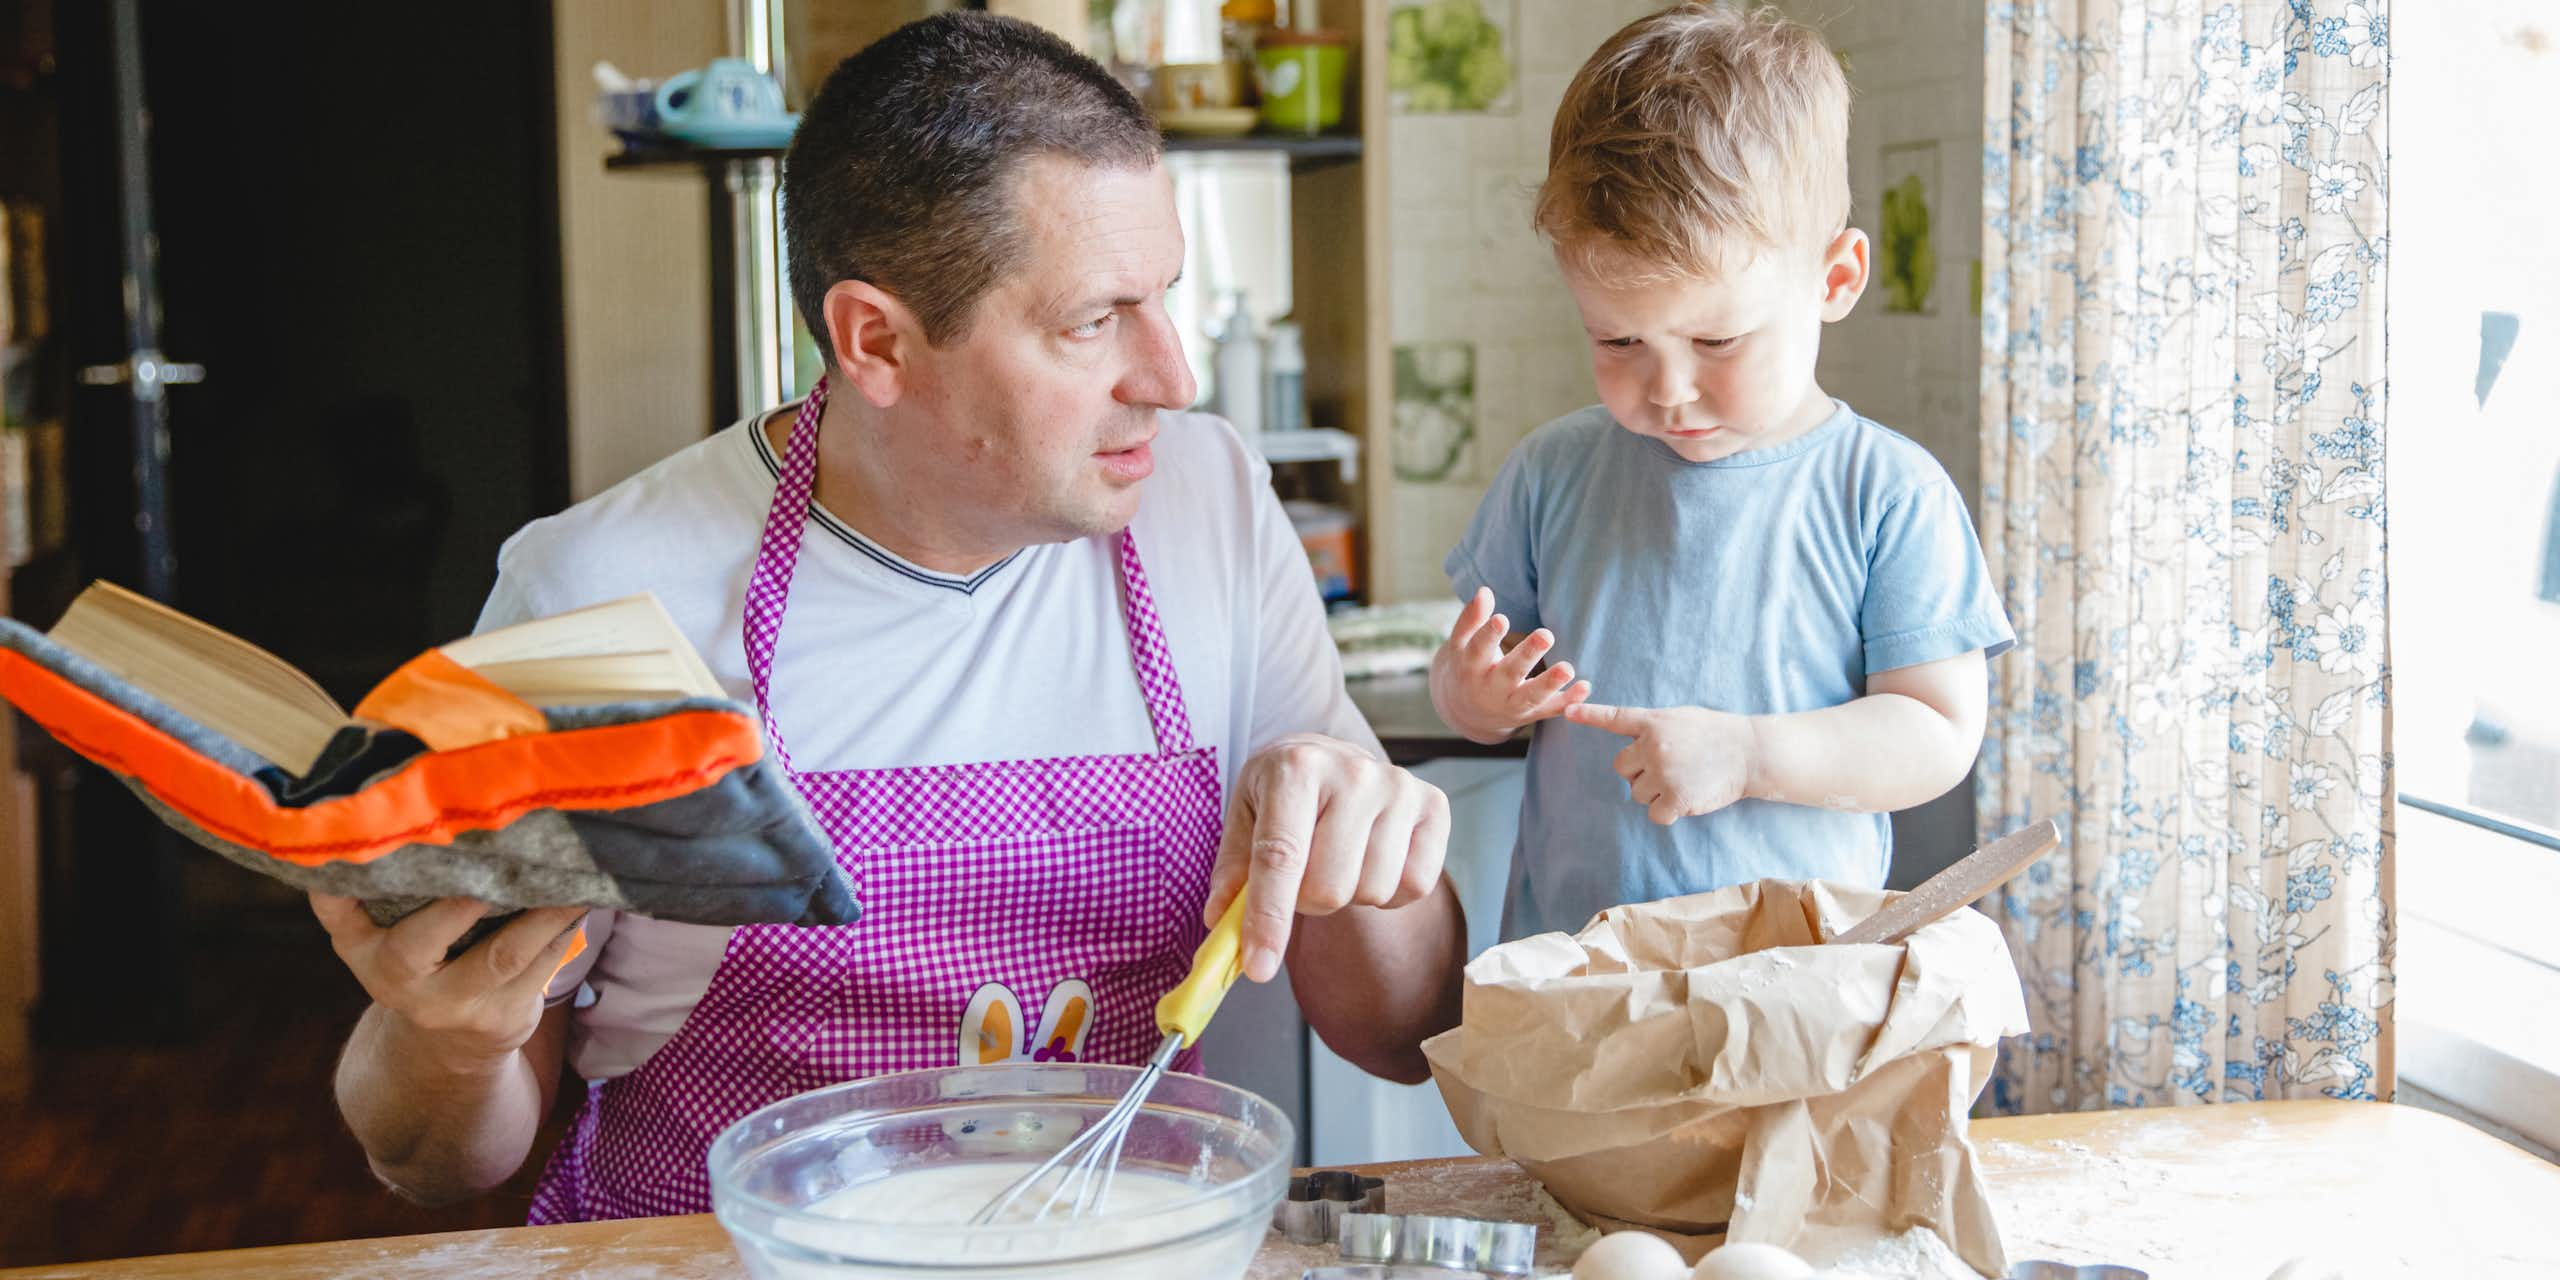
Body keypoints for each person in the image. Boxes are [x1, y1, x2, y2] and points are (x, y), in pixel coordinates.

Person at [311, 13, 1463, 1220]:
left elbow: (1401, 1031)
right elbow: (434, 1157)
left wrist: (1368, 850)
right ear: (877, 339)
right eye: (1092, 321)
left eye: (1165, 295)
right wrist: (442, 1034)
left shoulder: (1208, 505)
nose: (1173, 378)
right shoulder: (599, 596)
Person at [1429, 4, 2014, 942]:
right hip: (1579, 981)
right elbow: (1468, 699)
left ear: (1835, 279)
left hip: (1796, 993)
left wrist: (1748, 754)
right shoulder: (1553, 473)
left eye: (1717, 338)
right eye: (1618, 339)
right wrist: (1476, 696)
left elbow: (1938, 733)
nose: (1669, 388)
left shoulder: (1888, 493)